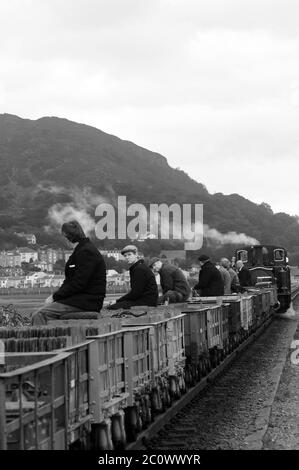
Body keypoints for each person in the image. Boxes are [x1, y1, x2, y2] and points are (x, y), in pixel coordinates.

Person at [32, 220, 106, 325]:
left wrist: (55, 297)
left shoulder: (86, 252)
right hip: (80, 300)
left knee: (40, 314)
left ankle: (42, 341)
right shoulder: (83, 250)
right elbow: (70, 281)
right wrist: (57, 296)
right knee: (42, 312)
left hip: (86, 301)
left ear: (66, 237)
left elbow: (78, 283)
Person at [107, 245, 158, 310]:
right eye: (125, 256)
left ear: (136, 254)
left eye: (129, 255)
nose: (127, 257)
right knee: (118, 304)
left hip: (146, 302)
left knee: (112, 307)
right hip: (147, 300)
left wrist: (117, 301)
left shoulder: (139, 269)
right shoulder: (139, 267)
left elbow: (135, 293)